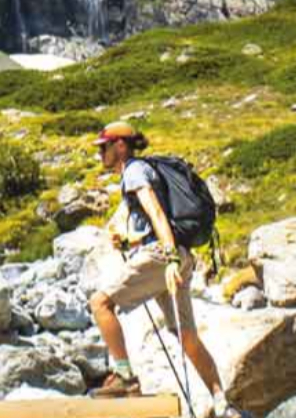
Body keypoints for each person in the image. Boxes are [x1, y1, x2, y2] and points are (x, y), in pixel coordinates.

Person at [87, 121, 238, 417]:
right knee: (187, 336)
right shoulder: (144, 169)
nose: (100, 153)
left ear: (120, 146)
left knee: (100, 303)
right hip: (178, 254)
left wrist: (168, 258)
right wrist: (133, 241)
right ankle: (222, 401)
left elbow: (156, 212)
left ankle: (125, 378)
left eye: (104, 147)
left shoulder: (133, 171)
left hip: (162, 255)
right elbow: (154, 219)